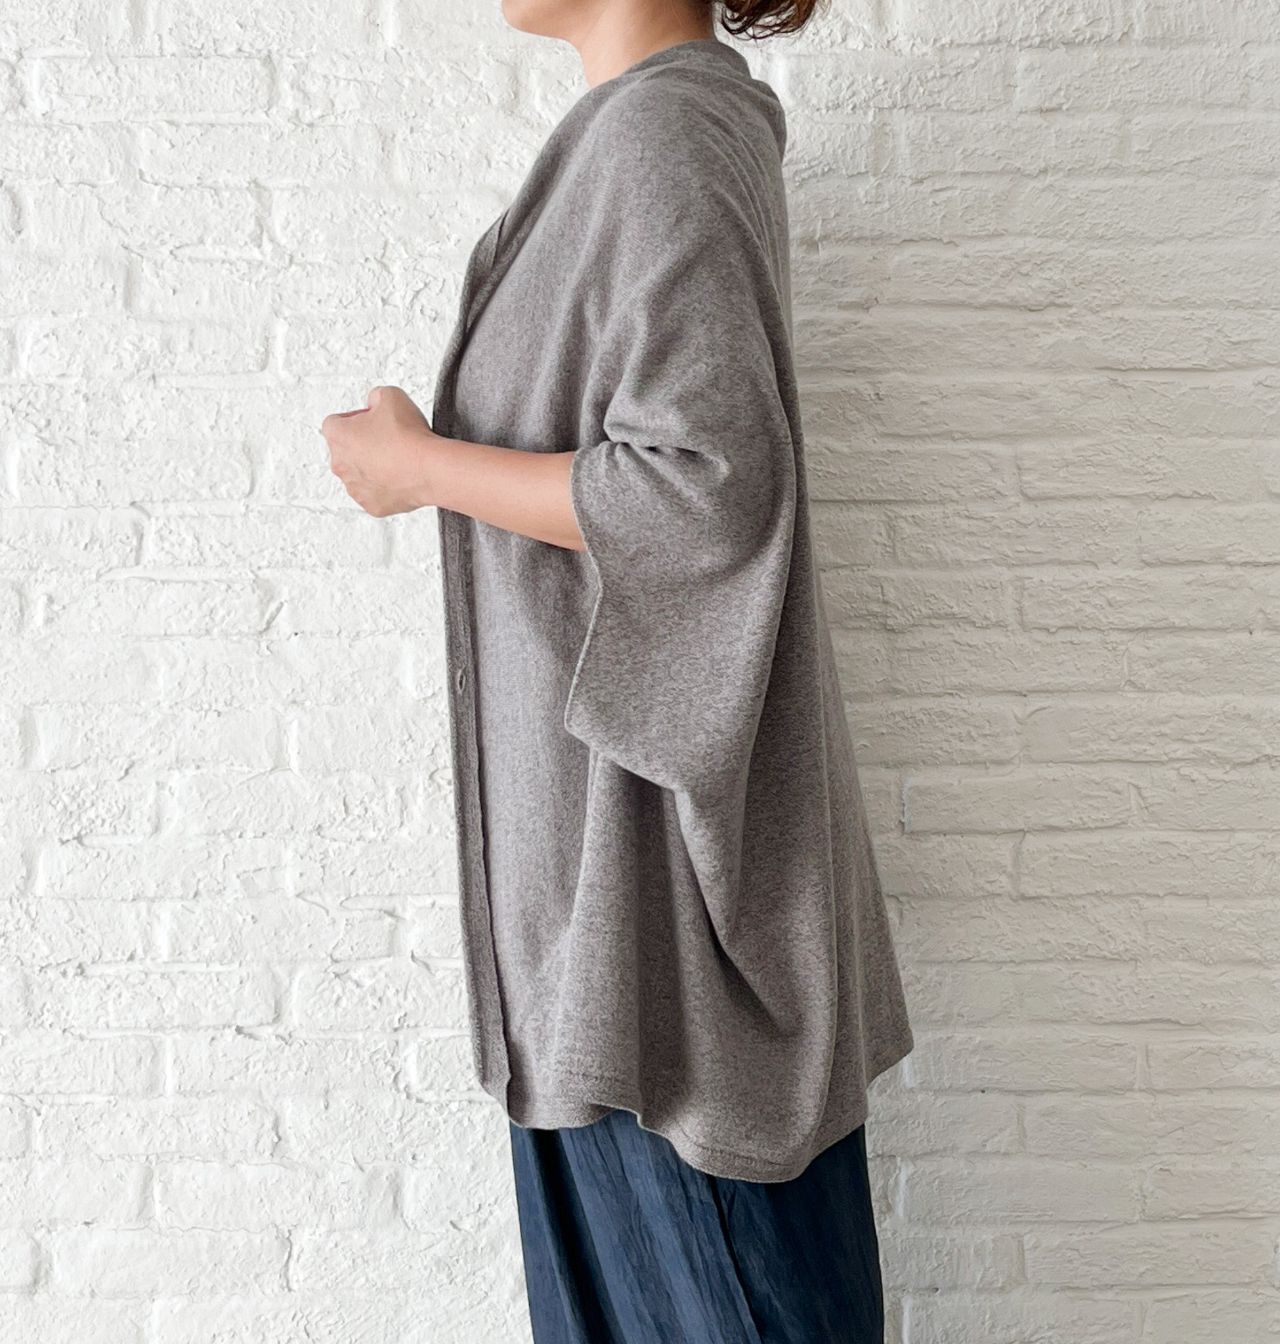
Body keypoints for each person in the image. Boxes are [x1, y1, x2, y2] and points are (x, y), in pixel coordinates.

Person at [320, 1, 914, 1339]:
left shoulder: (666, 137)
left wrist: (422, 469)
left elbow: (701, 490)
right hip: (604, 917)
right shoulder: (638, 138)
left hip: (651, 934)